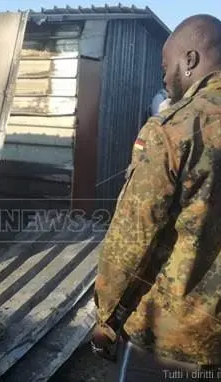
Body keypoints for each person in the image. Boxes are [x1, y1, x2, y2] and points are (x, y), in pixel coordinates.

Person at [91, 14, 221, 382]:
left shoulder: (175, 130)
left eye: (166, 67)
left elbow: (131, 239)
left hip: (169, 344)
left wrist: (106, 320)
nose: (163, 78)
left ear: (191, 60)